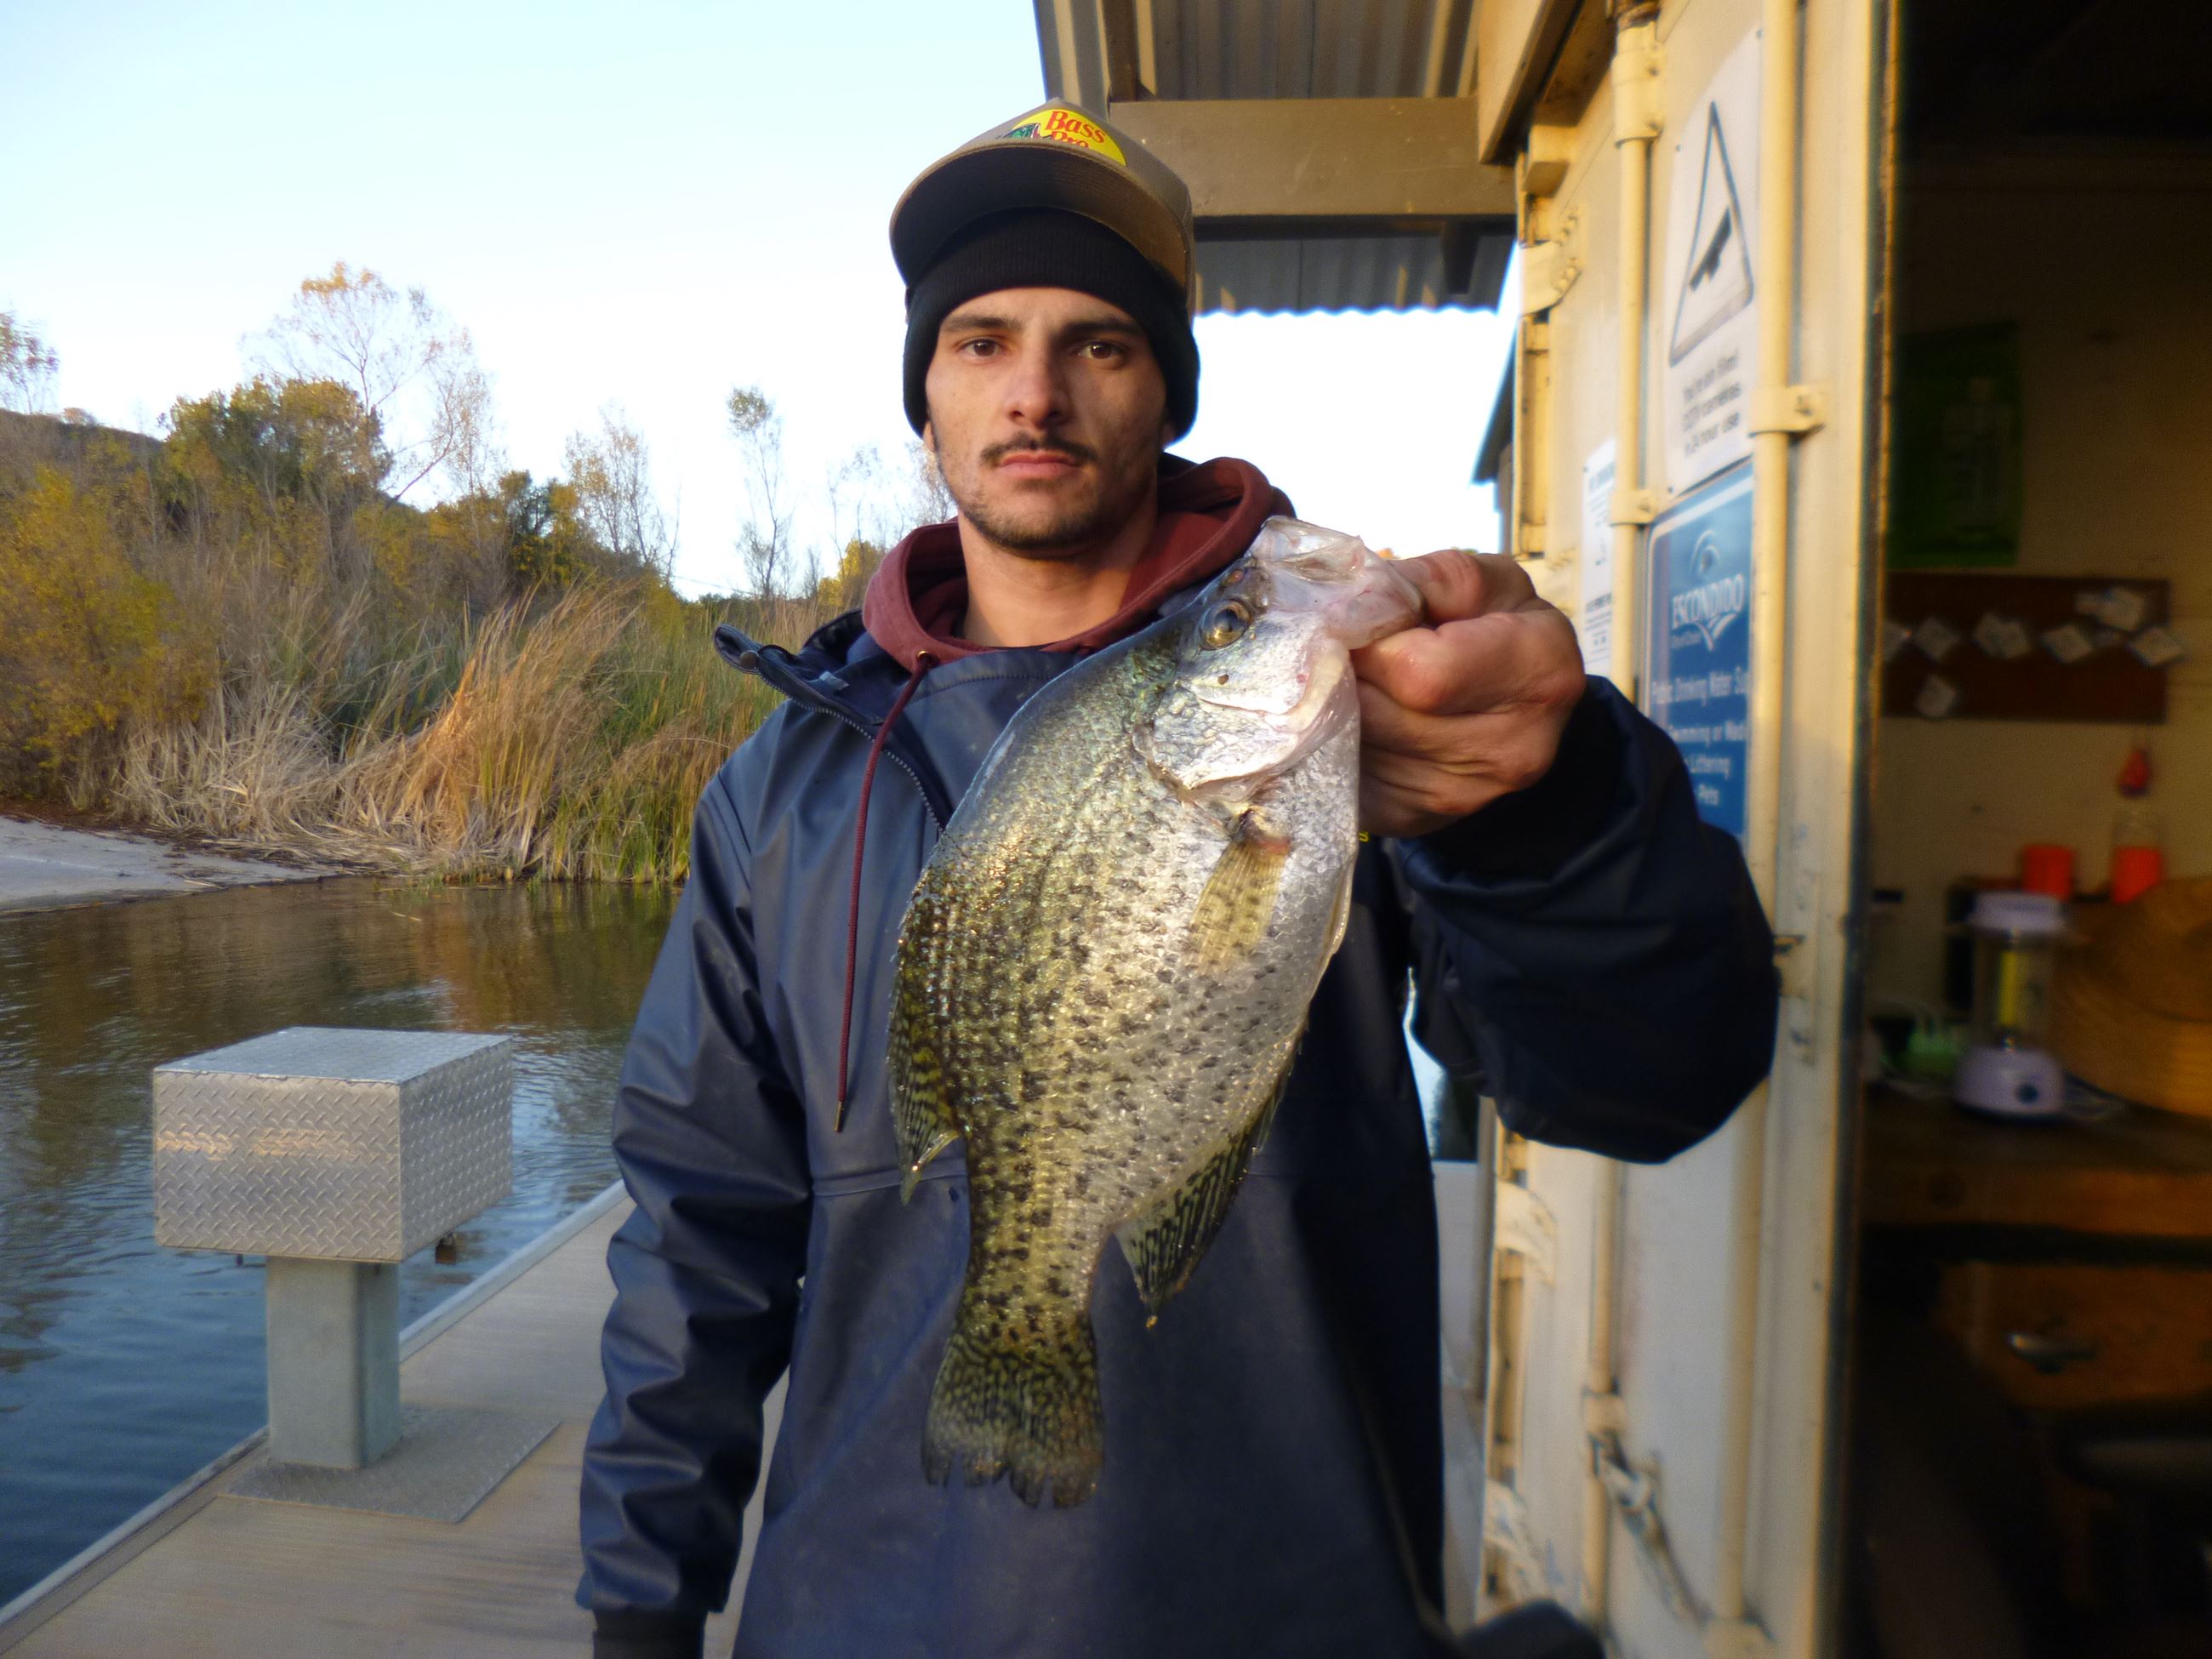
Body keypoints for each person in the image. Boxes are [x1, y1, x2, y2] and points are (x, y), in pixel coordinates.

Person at [577, 103, 1777, 1659]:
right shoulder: (782, 789)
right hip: (860, 1611)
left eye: (1101, 343)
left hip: (1291, 1606)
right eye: (982, 342)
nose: (1036, 391)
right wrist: (640, 1609)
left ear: (1167, 392)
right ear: (925, 398)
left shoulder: (1360, 719)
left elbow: (1652, 1083)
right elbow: (697, 1233)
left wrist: (1547, 817)